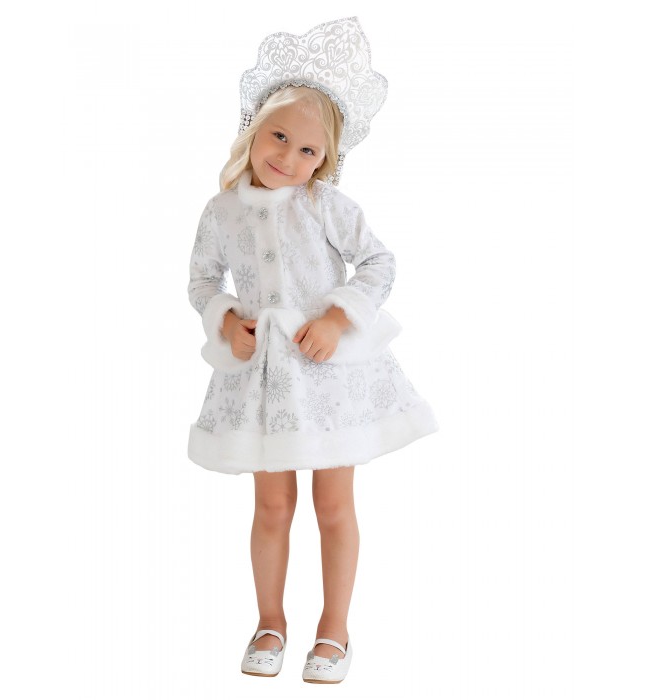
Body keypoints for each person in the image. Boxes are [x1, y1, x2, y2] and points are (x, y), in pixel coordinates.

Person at [186, 17, 439, 683]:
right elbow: (202, 280)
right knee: (272, 507)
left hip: (327, 378)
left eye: (307, 151)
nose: (289, 158)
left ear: (324, 160)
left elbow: (378, 263)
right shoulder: (221, 212)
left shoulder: (327, 205)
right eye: (279, 137)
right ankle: (270, 620)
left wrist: (336, 315)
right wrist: (224, 319)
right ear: (253, 127)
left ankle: (335, 628)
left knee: (333, 506)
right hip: (263, 378)